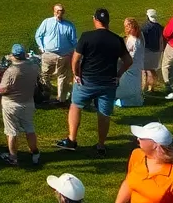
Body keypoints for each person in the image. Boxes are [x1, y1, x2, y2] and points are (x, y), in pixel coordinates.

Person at [56, 8, 131, 157]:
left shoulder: (87, 36)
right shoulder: (117, 39)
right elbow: (128, 61)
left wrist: (76, 74)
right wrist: (118, 75)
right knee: (104, 114)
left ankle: (72, 139)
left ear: (95, 19)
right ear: (108, 21)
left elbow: (76, 59)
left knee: (75, 106)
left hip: (87, 81)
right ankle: (101, 145)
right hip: (108, 82)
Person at [103, 123, 173, 203]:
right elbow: (129, 183)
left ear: (155, 145)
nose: (138, 139)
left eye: (142, 137)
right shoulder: (137, 155)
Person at [0, 43, 40, 167]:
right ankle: (35, 153)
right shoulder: (34, 67)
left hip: (11, 103)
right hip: (28, 102)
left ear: (14, 56)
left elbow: (1, 89)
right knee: (29, 128)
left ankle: (13, 157)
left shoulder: (11, 71)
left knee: (11, 131)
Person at [36, 3, 78, 103]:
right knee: (45, 75)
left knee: (62, 76)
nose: (60, 13)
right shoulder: (47, 22)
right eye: (58, 11)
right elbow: (38, 35)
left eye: (61, 11)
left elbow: (73, 40)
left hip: (64, 55)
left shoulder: (69, 25)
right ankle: (46, 95)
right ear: (54, 12)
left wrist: (76, 50)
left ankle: (61, 99)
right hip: (48, 54)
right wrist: (42, 48)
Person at [117, 17, 144, 108]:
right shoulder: (136, 39)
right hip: (135, 67)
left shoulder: (133, 41)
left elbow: (131, 56)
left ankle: (126, 98)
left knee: (128, 84)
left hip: (131, 68)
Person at [140, 9, 163, 95]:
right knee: (152, 69)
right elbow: (161, 40)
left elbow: (142, 39)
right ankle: (152, 87)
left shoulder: (145, 27)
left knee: (145, 70)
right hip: (157, 51)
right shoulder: (160, 27)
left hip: (147, 51)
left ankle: (145, 87)